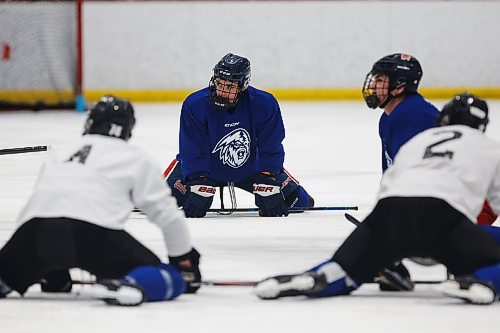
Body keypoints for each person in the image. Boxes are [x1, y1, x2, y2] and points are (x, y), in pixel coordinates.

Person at [255, 93, 500, 305]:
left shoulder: (419, 141)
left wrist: (379, 237)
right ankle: (483, 281)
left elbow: (389, 184)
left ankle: (318, 276)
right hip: (444, 221)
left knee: (347, 269)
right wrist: (473, 237)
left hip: (389, 213)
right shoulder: (489, 148)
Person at [0, 96, 201, 306]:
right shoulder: (135, 157)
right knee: (171, 279)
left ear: (90, 122)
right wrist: (183, 260)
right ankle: (123, 287)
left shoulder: (59, 154)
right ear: (128, 130)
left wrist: (50, 269)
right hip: (91, 234)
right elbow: (167, 215)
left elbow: (43, 205)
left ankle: (50, 273)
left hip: (33, 232)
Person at [165, 53, 314, 218]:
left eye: (229, 86)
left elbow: (271, 145)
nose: (221, 90)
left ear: (243, 85)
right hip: (205, 169)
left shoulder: (264, 103)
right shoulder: (195, 105)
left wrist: (267, 177)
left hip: (251, 168)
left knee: (300, 202)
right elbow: (191, 147)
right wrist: (197, 181)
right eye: (218, 83)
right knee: (156, 202)